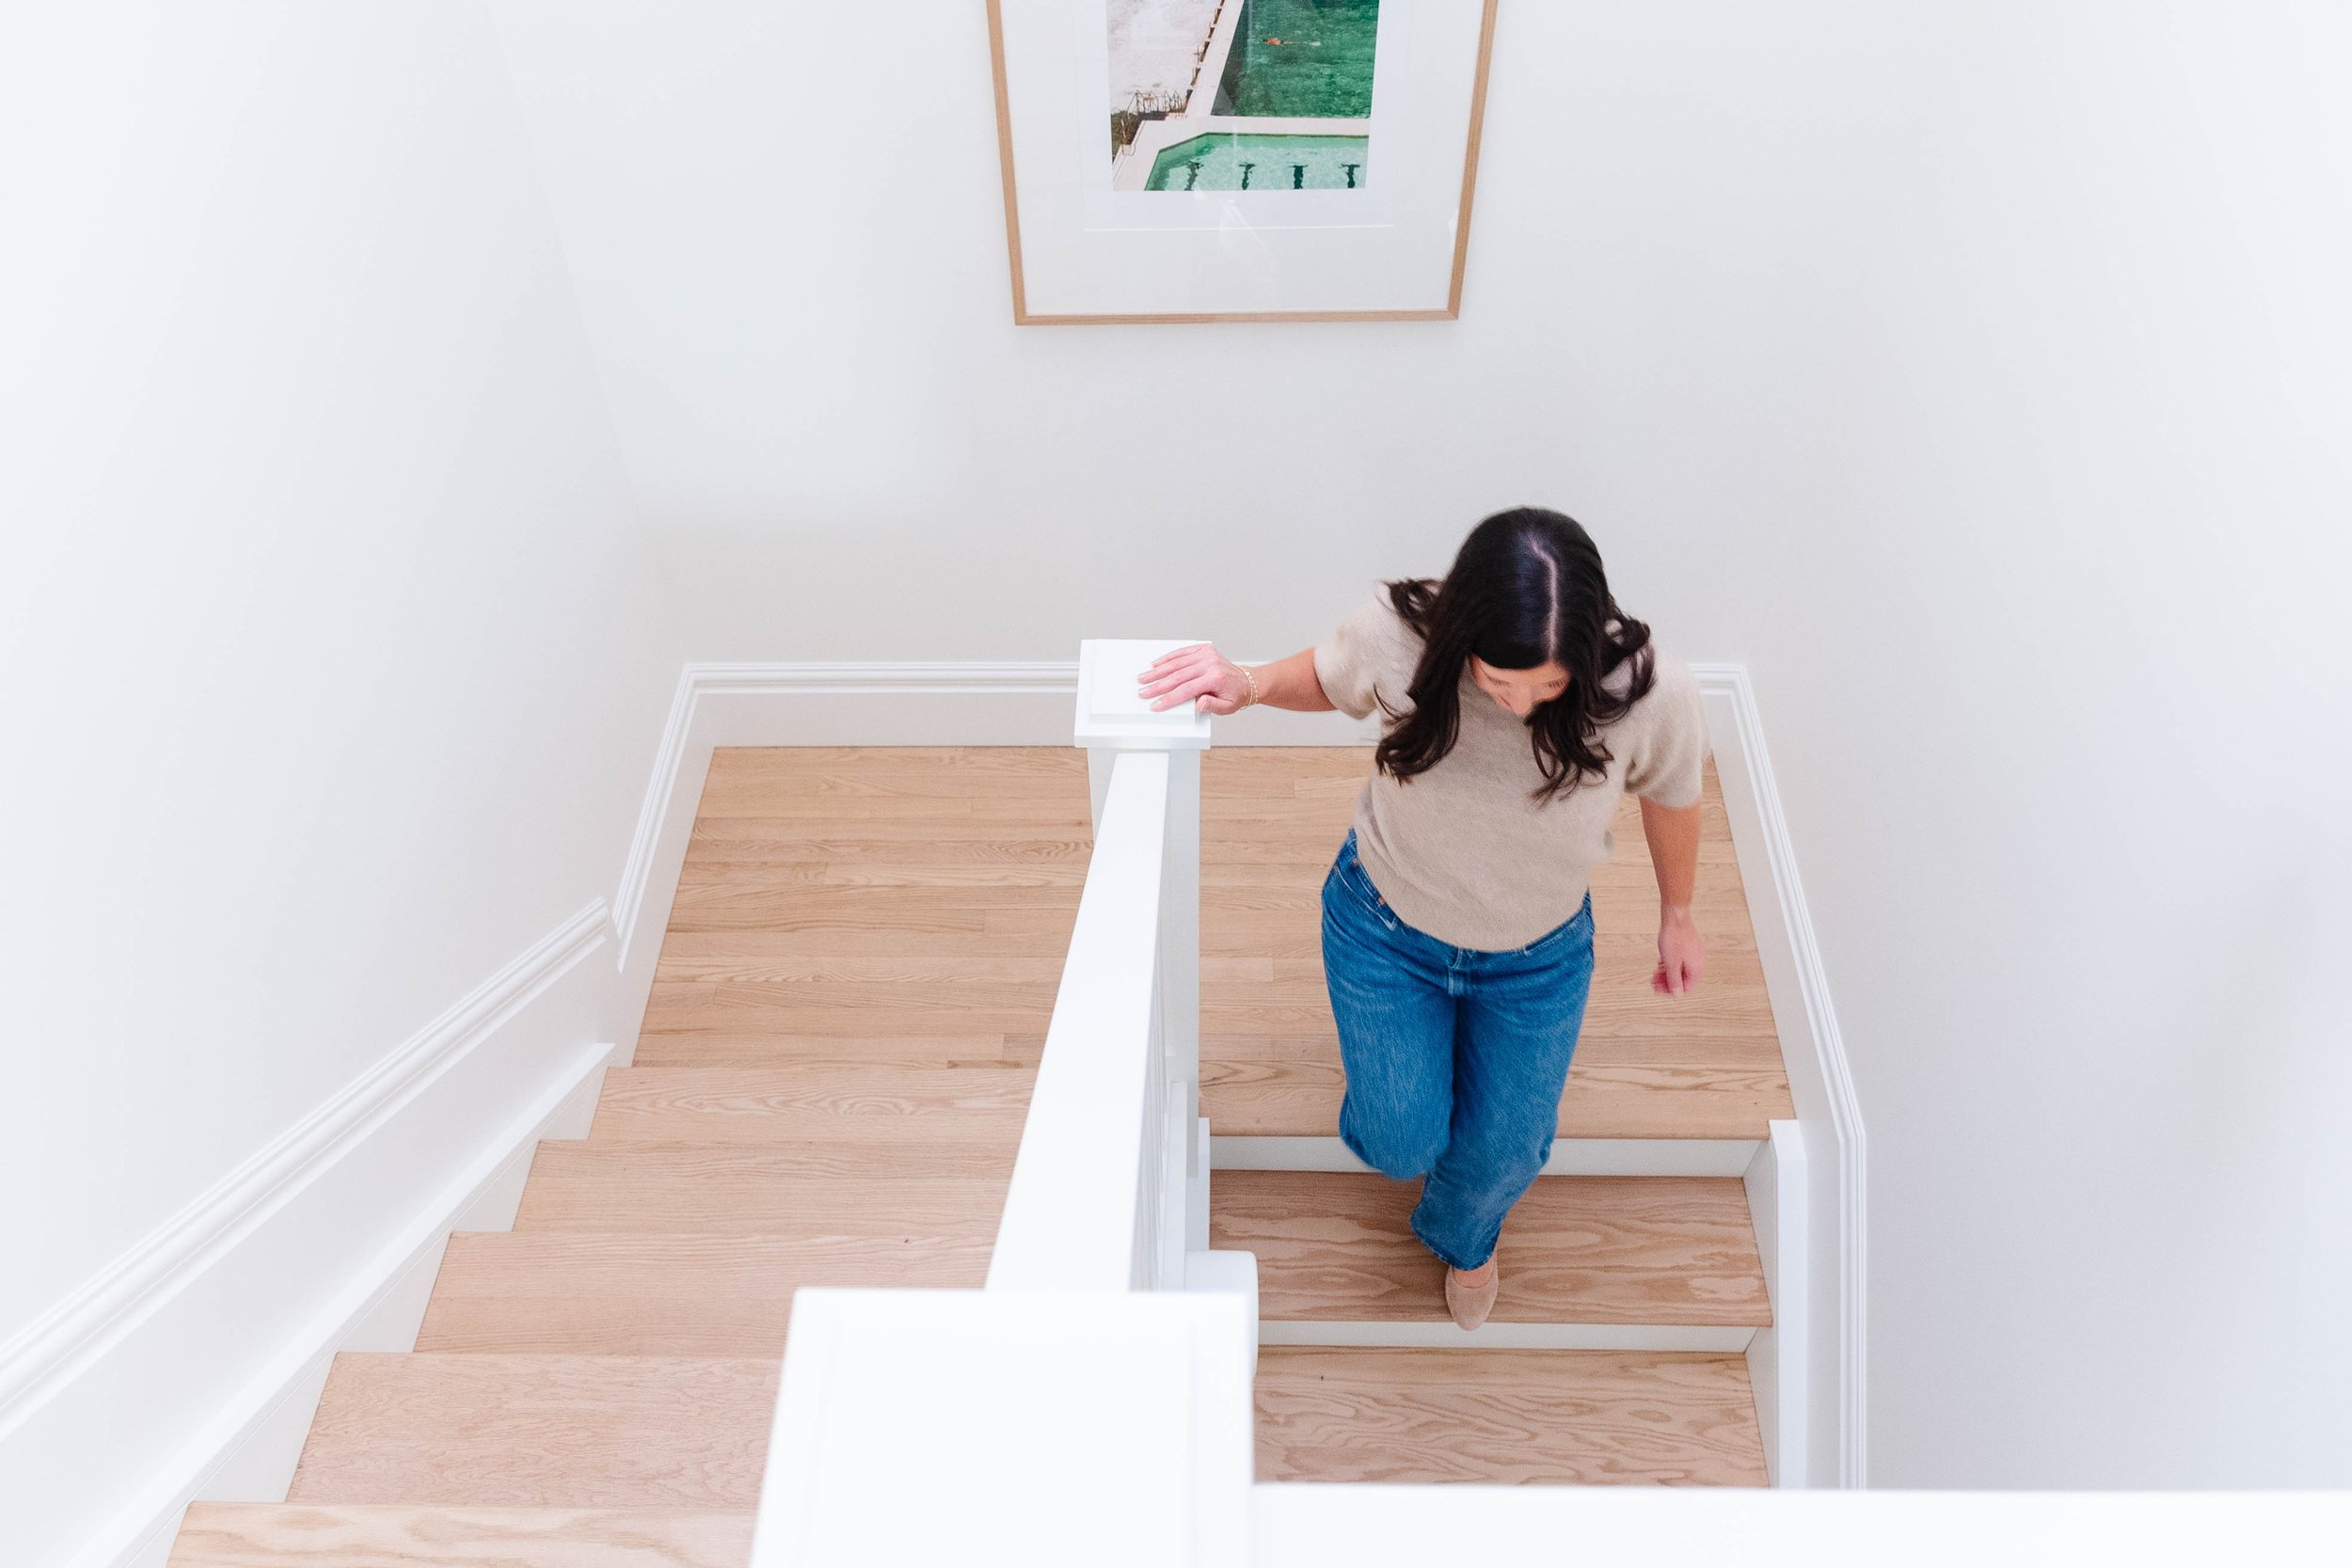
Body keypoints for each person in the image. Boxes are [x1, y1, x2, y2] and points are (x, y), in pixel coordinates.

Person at [1137, 508, 1708, 1330]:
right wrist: (1250, 683)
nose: (1520, 705)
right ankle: (1411, 1090)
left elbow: (1674, 795)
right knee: (1398, 1142)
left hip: (1537, 956)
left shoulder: (1650, 692)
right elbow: (1329, 675)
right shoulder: (1397, 635)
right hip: (1386, 929)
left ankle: (1467, 1239)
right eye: (1500, 680)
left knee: (1508, 1149)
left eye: (1548, 687)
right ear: (1462, 635)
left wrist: (1678, 912)